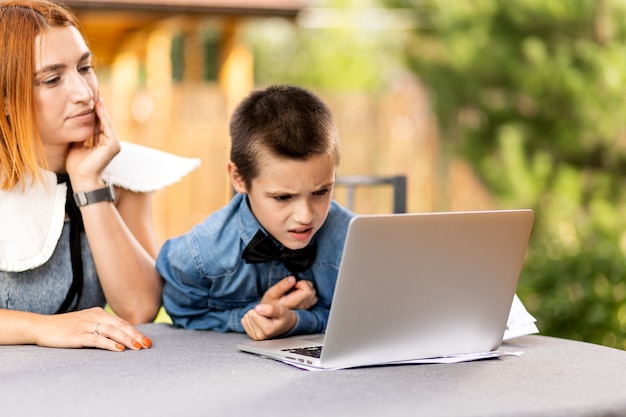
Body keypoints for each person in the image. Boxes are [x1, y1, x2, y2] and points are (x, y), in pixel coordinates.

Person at [0, 0, 198, 351]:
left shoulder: (123, 174)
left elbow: (139, 308)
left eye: (85, 67)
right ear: (5, 99)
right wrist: (41, 329)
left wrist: (89, 184)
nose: (84, 93)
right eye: (52, 79)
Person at [156, 85, 355, 340]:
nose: (305, 216)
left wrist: (299, 320)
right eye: (283, 197)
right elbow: (184, 314)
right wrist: (255, 314)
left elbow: (376, 317)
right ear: (239, 178)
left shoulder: (354, 243)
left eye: (321, 192)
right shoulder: (200, 255)